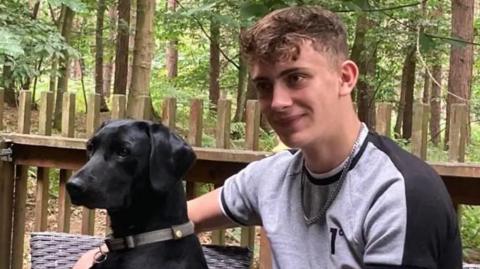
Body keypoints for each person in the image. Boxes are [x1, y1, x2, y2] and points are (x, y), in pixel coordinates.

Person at [75, 5, 462, 269]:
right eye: (264, 85)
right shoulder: (272, 177)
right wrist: (102, 252)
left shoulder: (398, 192)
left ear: (345, 78)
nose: (277, 102)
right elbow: (174, 218)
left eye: (296, 78)